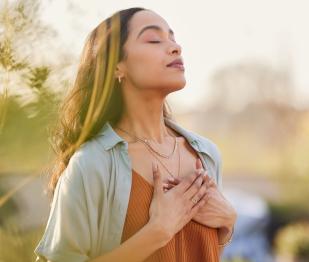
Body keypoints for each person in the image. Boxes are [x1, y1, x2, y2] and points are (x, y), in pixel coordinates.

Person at [34, 7, 237, 262]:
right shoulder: (91, 164)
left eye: (173, 39)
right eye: (154, 39)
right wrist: (157, 232)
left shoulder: (206, 154)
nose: (176, 48)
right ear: (117, 66)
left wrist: (228, 223)